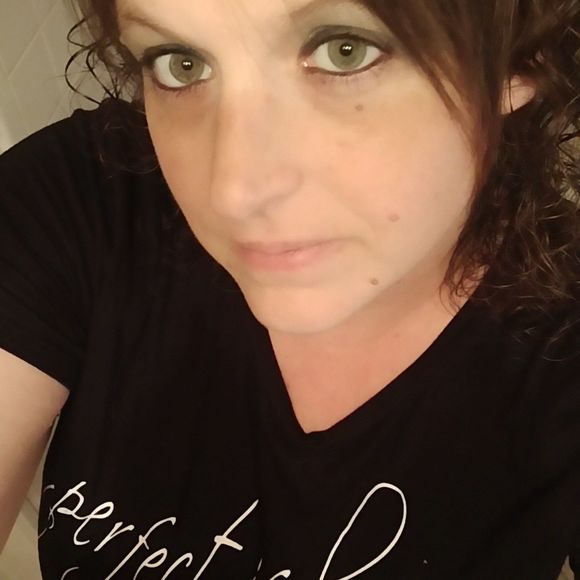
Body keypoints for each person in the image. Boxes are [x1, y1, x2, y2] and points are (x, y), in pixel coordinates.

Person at [0, 0, 579, 577]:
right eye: (180, 62)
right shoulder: (84, 194)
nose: (232, 191)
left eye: (345, 50)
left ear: (517, 53)